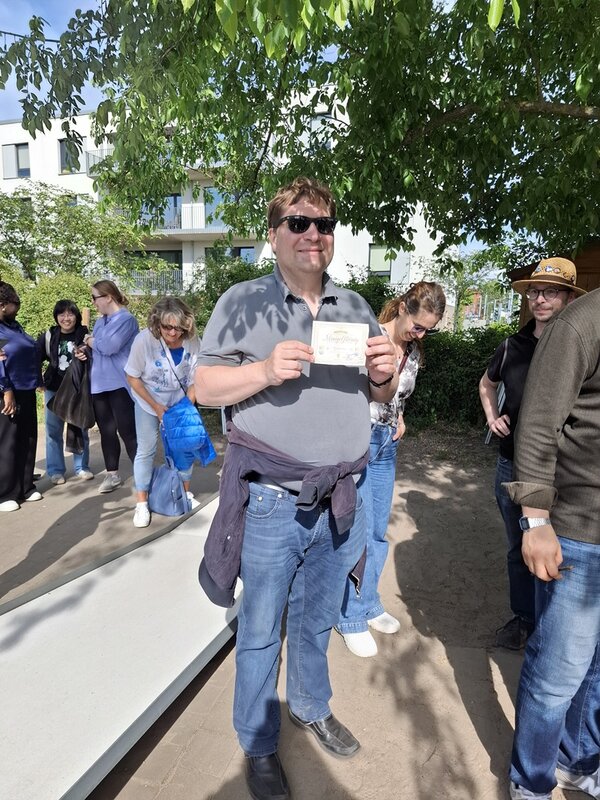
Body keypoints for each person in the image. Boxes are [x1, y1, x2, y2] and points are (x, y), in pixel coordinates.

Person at [194, 177, 398, 800]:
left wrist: (386, 376)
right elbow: (203, 389)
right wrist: (262, 370)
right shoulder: (243, 301)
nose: (315, 234)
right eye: (300, 224)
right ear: (274, 233)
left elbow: (377, 396)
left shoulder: (357, 307)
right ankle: (258, 744)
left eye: (325, 224)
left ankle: (311, 706)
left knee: (315, 622)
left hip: (343, 495)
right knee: (259, 627)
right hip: (272, 501)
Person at [505, 286, 600, 800]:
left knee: (599, 671)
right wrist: (534, 520)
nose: (540, 299)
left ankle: (578, 760)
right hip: (580, 531)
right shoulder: (584, 322)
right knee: (558, 671)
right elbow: (538, 424)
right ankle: (532, 780)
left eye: (550, 291)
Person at [478, 258, 584, 650]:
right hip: (511, 466)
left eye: (551, 291)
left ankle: (552, 627)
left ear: (569, 297)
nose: (540, 299)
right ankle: (523, 618)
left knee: (563, 550)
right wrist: (492, 418)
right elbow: (487, 384)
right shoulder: (512, 347)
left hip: (564, 473)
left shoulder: (580, 347)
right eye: (534, 291)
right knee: (517, 547)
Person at [337, 281, 446, 657]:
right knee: (357, 528)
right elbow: (347, 389)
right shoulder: (370, 338)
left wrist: (399, 418)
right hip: (358, 439)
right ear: (402, 307)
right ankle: (349, 616)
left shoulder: (412, 350)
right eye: (418, 325)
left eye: (428, 330)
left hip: (387, 441)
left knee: (379, 531)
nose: (421, 334)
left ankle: (368, 601)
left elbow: (397, 394)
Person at [125, 296, 201, 528]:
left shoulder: (193, 341)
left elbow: (196, 377)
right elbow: (132, 376)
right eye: (167, 327)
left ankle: (183, 493)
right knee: (146, 450)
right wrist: (157, 407)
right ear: (157, 323)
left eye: (179, 327)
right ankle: (141, 503)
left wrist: (186, 406)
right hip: (149, 401)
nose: (173, 333)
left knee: (184, 449)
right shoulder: (144, 341)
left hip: (180, 400)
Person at [77, 280, 139, 493]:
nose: (93, 303)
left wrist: (92, 341)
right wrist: (86, 349)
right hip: (99, 384)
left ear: (108, 297)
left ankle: (143, 475)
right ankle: (112, 475)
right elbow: (98, 348)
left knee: (128, 431)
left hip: (120, 384)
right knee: (107, 431)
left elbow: (110, 347)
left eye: (95, 298)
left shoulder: (127, 319)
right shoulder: (99, 322)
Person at [37, 299, 93, 484]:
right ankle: (55, 470)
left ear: (76, 316)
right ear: (56, 317)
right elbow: (36, 359)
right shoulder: (49, 335)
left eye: (70, 314)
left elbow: (94, 356)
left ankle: (82, 467)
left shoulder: (84, 334)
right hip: (54, 387)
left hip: (77, 387)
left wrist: (85, 355)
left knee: (79, 427)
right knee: (53, 431)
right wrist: (39, 381)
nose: (66, 318)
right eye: (62, 314)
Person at [0, 281, 43, 512]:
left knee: (27, 438)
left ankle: (25, 486)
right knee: (8, 442)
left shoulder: (14, 327)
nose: (18, 307)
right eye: (15, 303)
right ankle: (5, 492)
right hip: (7, 391)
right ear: (3, 305)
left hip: (26, 389)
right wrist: (5, 390)